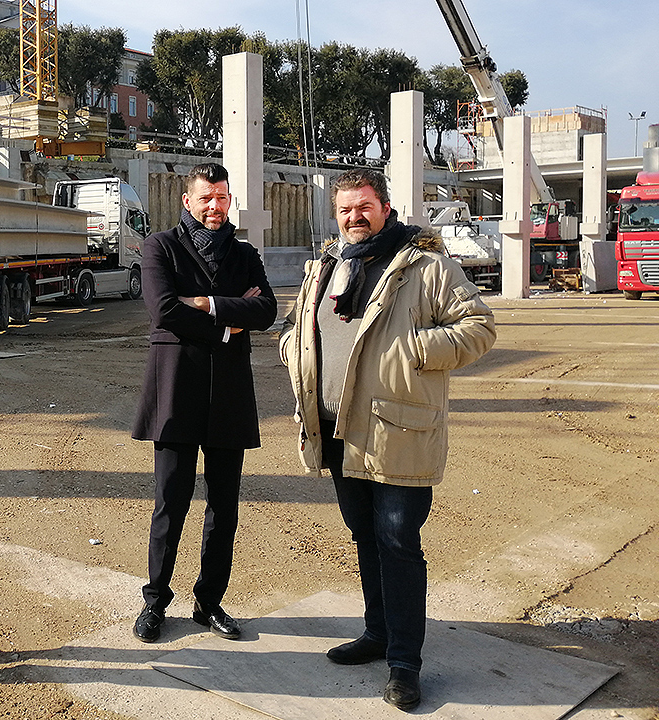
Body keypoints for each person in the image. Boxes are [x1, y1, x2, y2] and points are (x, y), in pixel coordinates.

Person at [279, 169, 495, 711]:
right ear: (336, 212)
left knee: (398, 543)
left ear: (386, 206)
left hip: (397, 430)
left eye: (365, 206)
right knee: (364, 535)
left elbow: (479, 326)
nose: (355, 217)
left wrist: (413, 349)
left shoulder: (423, 265)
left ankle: (404, 663)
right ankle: (377, 634)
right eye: (346, 208)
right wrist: (292, 349)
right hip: (337, 427)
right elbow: (295, 324)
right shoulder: (329, 263)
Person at [131, 163, 278, 644]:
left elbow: (268, 309)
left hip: (229, 393)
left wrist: (206, 304)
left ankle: (209, 602)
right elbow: (163, 308)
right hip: (176, 389)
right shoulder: (160, 246)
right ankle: (155, 601)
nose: (215, 207)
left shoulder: (244, 253)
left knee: (224, 507)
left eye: (222, 197)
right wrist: (229, 318)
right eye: (206, 198)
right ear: (187, 201)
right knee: (169, 502)